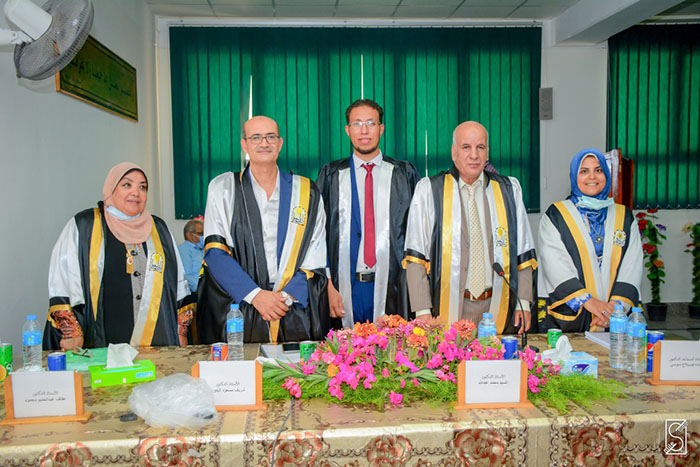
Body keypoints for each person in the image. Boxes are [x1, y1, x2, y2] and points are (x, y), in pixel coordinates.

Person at [197, 115, 329, 343]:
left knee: (295, 365)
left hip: (292, 307)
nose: (264, 143)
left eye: (270, 137)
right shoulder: (223, 188)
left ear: (280, 143)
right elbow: (215, 252)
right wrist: (256, 296)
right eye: (256, 137)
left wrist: (283, 299)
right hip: (241, 305)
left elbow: (316, 253)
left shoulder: (306, 191)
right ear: (244, 144)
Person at [403, 121, 536, 334]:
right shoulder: (430, 191)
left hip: (497, 306)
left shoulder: (508, 190)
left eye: (480, 147)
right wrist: (422, 311)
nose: (474, 155)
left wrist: (525, 303)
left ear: (487, 153)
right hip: (446, 306)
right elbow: (415, 256)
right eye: (466, 147)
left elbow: (524, 251)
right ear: (454, 153)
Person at [45, 163, 194, 351]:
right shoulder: (84, 226)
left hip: (155, 341)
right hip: (102, 341)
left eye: (142, 187)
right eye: (127, 185)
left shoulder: (159, 229)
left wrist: (181, 331)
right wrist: (71, 331)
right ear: (111, 188)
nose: (136, 193)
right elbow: (62, 278)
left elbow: (178, 282)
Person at [316, 99, 420, 326]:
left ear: (381, 128)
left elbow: (419, 235)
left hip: (394, 286)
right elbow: (317, 235)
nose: (364, 131)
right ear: (347, 130)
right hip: (344, 286)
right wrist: (327, 284)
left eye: (371, 123)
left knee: (393, 347)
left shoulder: (404, 174)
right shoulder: (331, 175)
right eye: (357, 124)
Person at [537, 148, 642, 332]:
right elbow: (555, 264)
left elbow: (632, 264)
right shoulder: (556, 215)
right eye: (584, 171)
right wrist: (589, 302)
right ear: (574, 176)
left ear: (606, 174)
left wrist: (614, 310)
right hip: (573, 316)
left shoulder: (624, 216)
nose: (592, 177)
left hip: (614, 318)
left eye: (598, 170)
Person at [178, 219, 204, 293]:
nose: (203, 236)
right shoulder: (183, 250)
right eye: (200, 233)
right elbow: (187, 275)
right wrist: (201, 289)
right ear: (189, 235)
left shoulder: (202, 249)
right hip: (196, 292)